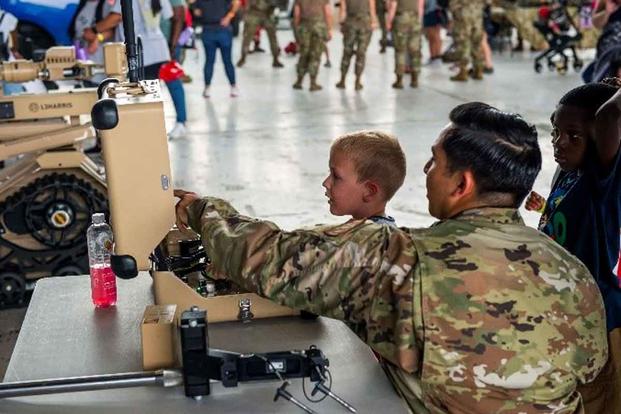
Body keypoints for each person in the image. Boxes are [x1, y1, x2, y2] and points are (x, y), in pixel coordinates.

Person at [174, 102, 608, 413]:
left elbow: (262, 257)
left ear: (462, 185)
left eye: (434, 163)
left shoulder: (399, 260)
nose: (425, 173)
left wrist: (201, 210)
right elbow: (592, 379)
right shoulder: (572, 273)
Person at [525, 80, 621, 413]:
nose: (559, 143)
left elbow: (609, 115)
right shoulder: (568, 173)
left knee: (596, 398)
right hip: (560, 306)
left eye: (574, 136)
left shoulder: (602, 181)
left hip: (595, 312)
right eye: (555, 132)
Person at [118, 0, 189, 139]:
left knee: (160, 87)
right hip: (154, 46)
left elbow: (176, 15)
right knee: (156, 89)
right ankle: (169, 124)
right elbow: (167, 16)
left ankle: (177, 123)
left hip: (145, 49)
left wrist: (173, 45)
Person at [323, 131, 405, 225]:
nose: (325, 183)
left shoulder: (372, 237)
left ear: (369, 191)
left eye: (336, 177)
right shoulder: (380, 228)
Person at [191, 0, 240, 97]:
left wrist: (229, 16)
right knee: (210, 60)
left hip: (222, 28)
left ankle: (233, 85)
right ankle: (207, 87)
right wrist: (194, 8)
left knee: (227, 60)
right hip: (208, 28)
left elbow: (236, 3)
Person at [69, 0, 122, 84]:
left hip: (99, 70)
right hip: (82, 65)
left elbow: (113, 30)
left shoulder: (106, 5)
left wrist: (97, 38)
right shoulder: (84, 4)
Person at [335, 0, 378, 90]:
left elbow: (343, 9)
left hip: (350, 22)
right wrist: (373, 21)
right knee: (361, 52)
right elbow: (372, 8)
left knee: (347, 51)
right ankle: (357, 82)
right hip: (365, 22)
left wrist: (342, 23)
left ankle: (342, 80)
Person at [292, 0, 333, 91]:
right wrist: (329, 29)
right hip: (319, 27)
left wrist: (297, 28)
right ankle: (312, 83)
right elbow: (328, 13)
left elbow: (297, 14)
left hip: (304, 27)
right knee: (315, 55)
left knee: (303, 54)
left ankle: (299, 81)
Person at [386, 0, 424, 89]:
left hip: (401, 18)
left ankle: (399, 80)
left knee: (400, 50)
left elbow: (393, 5)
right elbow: (420, 6)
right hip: (415, 19)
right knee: (415, 50)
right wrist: (419, 20)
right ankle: (415, 79)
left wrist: (389, 21)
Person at [237, 0, 283, 68]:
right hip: (254, 14)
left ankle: (276, 58)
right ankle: (243, 58)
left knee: (273, 37)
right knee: (247, 37)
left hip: (267, 14)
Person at [449, 0, 486, 81]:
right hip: (477, 12)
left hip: (463, 12)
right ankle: (478, 71)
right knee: (476, 42)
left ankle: (463, 72)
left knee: (462, 42)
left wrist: (454, 9)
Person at [422, 0, 444, 65]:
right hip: (433, 11)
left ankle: (436, 56)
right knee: (433, 35)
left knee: (434, 35)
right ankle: (434, 56)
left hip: (432, 12)